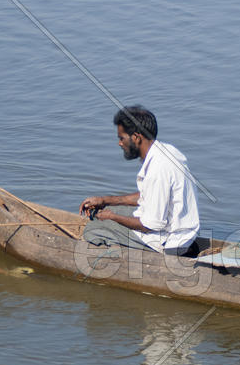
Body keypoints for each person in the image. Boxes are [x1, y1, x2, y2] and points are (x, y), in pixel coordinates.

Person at [79, 106, 200, 256]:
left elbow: (150, 225)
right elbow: (148, 195)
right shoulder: (166, 151)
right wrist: (105, 200)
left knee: (93, 229)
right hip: (182, 232)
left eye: (122, 138)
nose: (120, 143)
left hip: (170, 243)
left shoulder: (158, 170)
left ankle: (121, 252)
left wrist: (112, 217)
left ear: (136, 137)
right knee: (107, 214)